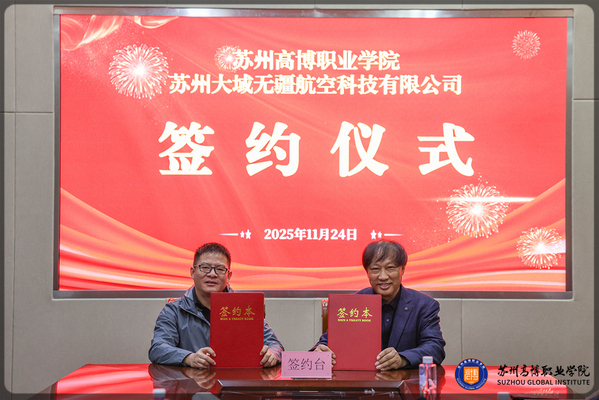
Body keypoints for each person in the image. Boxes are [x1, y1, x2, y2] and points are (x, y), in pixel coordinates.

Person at [312, 240, 445, 370]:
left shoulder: (424, 305)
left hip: (404, 381)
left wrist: (402, 359)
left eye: (390, 268)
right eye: (375, 269)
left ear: (402, 270)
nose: (383, 276)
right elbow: (324, 344)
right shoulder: (351, 304)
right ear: (367, 273)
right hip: (360, 381)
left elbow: (435, 347)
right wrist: (319, 352)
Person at [149, 242, 284, 368]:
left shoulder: (244, 308)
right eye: (205, 268)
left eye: (220, 269)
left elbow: (275, 345)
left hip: (236, 382)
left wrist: (272, 354)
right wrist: (189, 358)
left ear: (229, 276)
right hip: (192, 383)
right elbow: (158, 348)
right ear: (192, 272)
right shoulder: (174, 310)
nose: (212, 274)